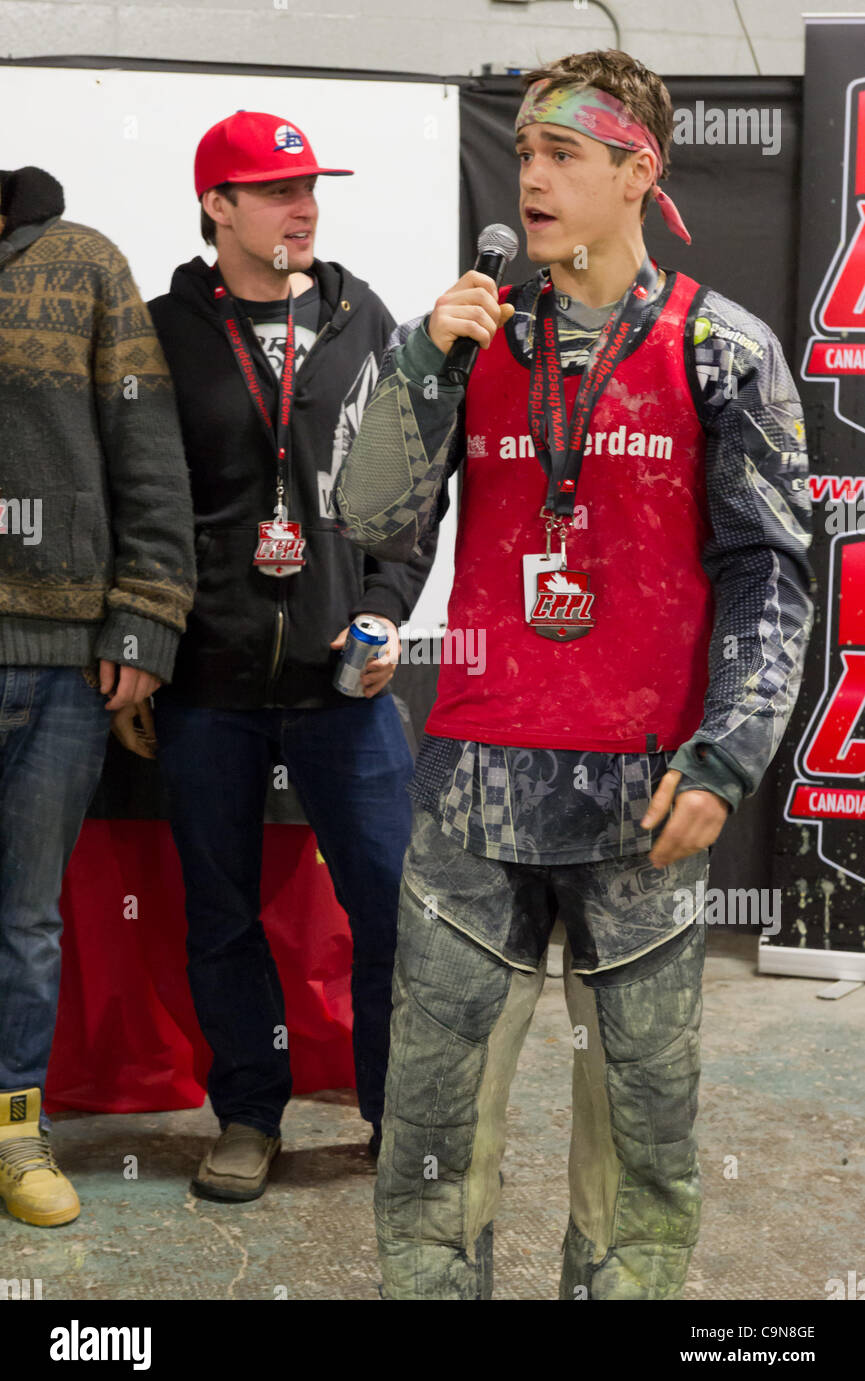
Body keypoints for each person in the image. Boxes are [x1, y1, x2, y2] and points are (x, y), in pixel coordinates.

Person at [334, 49, 815, 1299]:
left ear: (636, 171)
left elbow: (771, 575)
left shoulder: (722, 349)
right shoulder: (468, 334)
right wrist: (422, 367)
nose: (531, 176)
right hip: (471, 801)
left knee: (641, 1139)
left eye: (563, 155)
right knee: (433, 1134)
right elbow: (368, 513)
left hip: (643, 806)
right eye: (526, 152)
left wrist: (728, 755)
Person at [124, 111, 435, 1202]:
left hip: (344, 684)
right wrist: (144, 643)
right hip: (206, 685)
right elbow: (139, 503)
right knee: (220, 914)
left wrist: (392, 607)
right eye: (274, 189)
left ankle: (399, 1116)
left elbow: (407, 489)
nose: (303, 207)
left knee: (394, 908)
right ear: (218, 206)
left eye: (309, 186)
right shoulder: (158, 330)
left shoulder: (366, 321)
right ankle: (248, 1115)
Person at [0, 165, 195, 1227]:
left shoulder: (85, 265)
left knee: (26, 918)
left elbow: (148, 456)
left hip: (59, 660)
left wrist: (145, 618)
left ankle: (12, 1129)